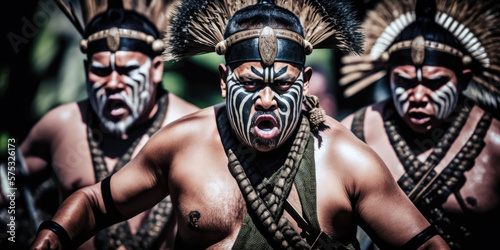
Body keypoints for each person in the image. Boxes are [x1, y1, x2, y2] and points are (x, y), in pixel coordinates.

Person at [31, 0, 449, 249]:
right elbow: (94, 203)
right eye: (250, 83)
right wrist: (51, 235)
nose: (266, 99)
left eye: (282, 85)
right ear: (222, 80)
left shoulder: (346, 160)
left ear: (305, 82)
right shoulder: (183, 143)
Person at [20, 0, 199, 249]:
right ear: (85, 69)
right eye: (101, 71)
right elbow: (10, 177)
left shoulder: (193, 130)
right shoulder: (61, 124)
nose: (113, 83)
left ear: (156, 69)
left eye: (127, 70)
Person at [340, 0, 500, 249]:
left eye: (435, 83)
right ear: (388, 76)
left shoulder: (494, 143)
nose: (417, 96)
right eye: (404, 81)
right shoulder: (354, 134)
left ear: (463, 80)